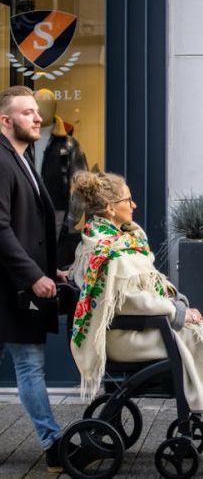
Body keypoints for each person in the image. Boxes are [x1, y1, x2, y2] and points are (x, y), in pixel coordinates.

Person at [69, 171, 203, 450]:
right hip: (124, 336)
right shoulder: (106, 249)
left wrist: (178, 304)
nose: (134, 205)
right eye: (128, 200)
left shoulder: (121, 240)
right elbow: (130, 300)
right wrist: (177, 313)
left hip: (139, 327)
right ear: (110, 208)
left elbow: (148, 287)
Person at [0, 85, 68, 472]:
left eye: (36, 112)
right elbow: (0, 229)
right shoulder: (2, 160)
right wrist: (32, 276)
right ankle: (54, 445)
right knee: (29, 364)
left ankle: (53, 443)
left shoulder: (22, 159)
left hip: (16, 286)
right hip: (10, 288)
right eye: (27, 113)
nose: (38, 118)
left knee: (29, 363)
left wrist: (50, 269)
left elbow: (29, 228)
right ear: (6, 121)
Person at [31, 88, 87, 268]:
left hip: (58, 215)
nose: (42, 110)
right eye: (39, 105)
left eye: (47, 105)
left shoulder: (69, 144)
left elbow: (82, 186)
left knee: (54, 265)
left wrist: (70, 219)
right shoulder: (24, 140)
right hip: (26, 212)